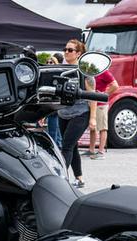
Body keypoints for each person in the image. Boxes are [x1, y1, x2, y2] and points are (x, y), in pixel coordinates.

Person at [58, 39, 96, 188]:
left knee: (66, 146)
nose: (66, 52)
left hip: (80, 114)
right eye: (65, 49)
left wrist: (92, 118)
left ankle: (60, 180)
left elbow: (93, 96)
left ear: (78, 53)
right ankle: (79, 179)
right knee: (72, 147)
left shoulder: (85, 72)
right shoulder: (61, 70)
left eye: (70, 50)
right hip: (63, 114)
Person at [85, 68, 118, 159]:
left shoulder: (104, 72)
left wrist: (104, 94)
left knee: (102, 128)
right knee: (93, 128)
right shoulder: (91, 71)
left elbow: (115, 85)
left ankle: (101, 151)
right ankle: (91, 150)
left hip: (101, 105)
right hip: (93, 103)